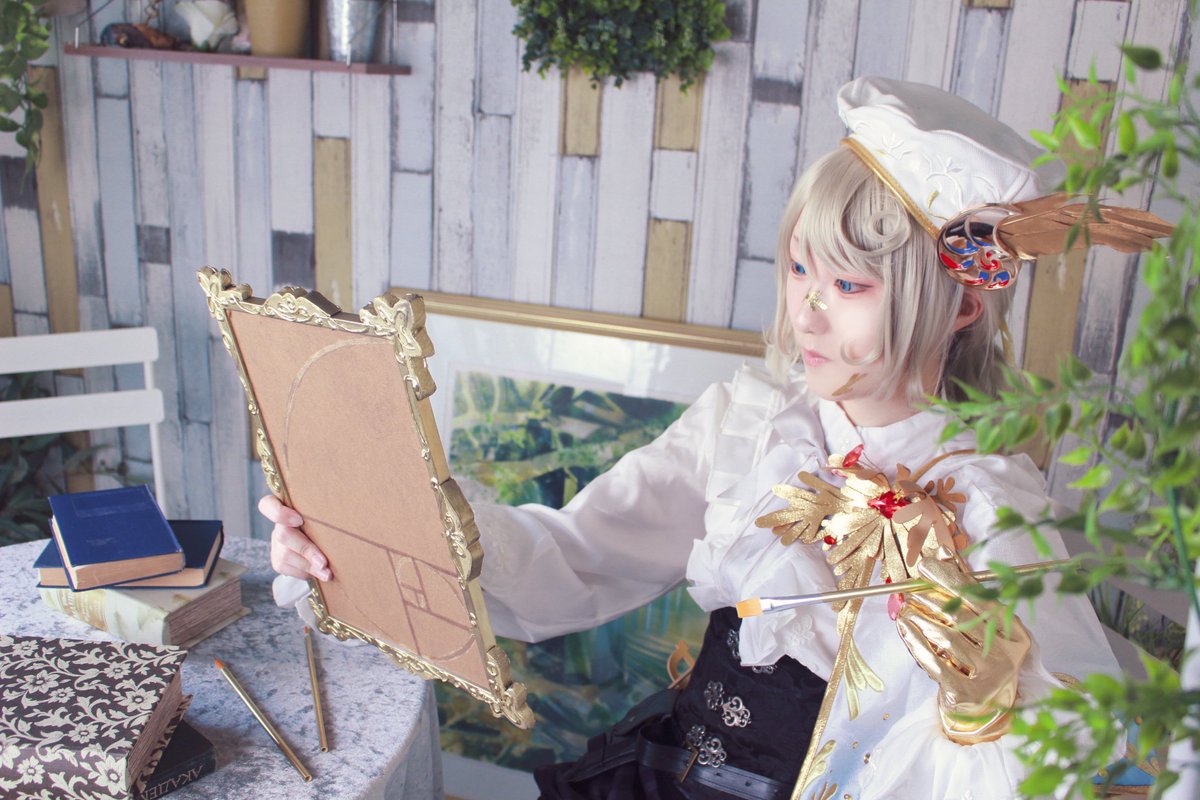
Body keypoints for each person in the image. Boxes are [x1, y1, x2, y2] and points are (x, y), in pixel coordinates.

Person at [263, 77, 1143, 799]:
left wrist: (983, 698)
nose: (807, 310)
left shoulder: (985, 504)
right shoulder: (752, 422)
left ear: (960, 306)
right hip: (666, 776)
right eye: (799, 267)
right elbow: (577, 557)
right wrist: (376, 533)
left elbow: (1068, 755)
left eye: (850, 285)